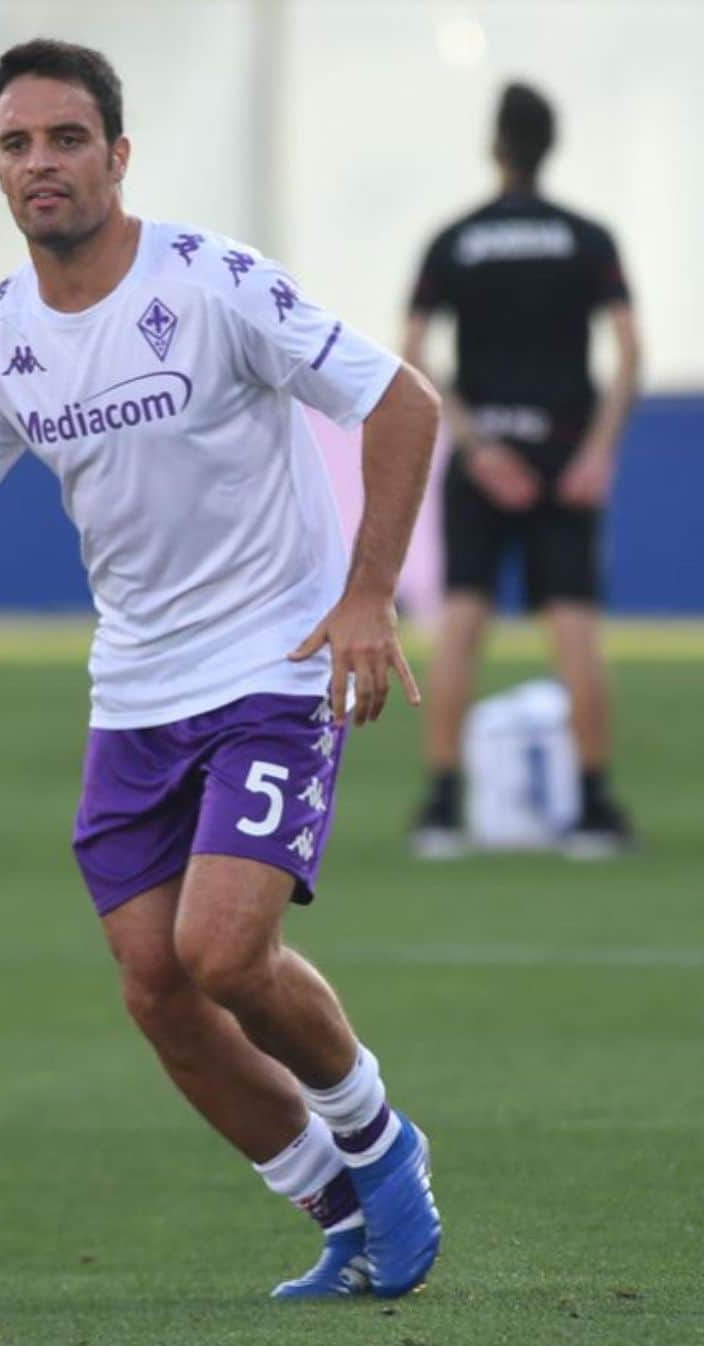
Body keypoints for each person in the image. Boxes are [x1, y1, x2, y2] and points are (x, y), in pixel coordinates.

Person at [0, 40, 441, 1300]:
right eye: (16, 143)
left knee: (221, 950)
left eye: (65, 138)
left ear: (117, 153)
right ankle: (335, 1211)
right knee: (157, 990)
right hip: (138, 688)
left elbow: (404, 402)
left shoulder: (211, 283)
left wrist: (368, 593)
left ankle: (384, 1148)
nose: (40, 163)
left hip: (275, 656)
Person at [404, 82, 641, 858]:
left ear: (496, 147)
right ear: (551, 145)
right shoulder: (588, 238)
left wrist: (475, 445)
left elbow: (410, 352)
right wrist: (596, 453)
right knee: (575, 632)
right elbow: (629, 351)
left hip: (485, 462)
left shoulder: (456, 239)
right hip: (564, 456)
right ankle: (595, 811)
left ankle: (442, 810)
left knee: (461, 628)